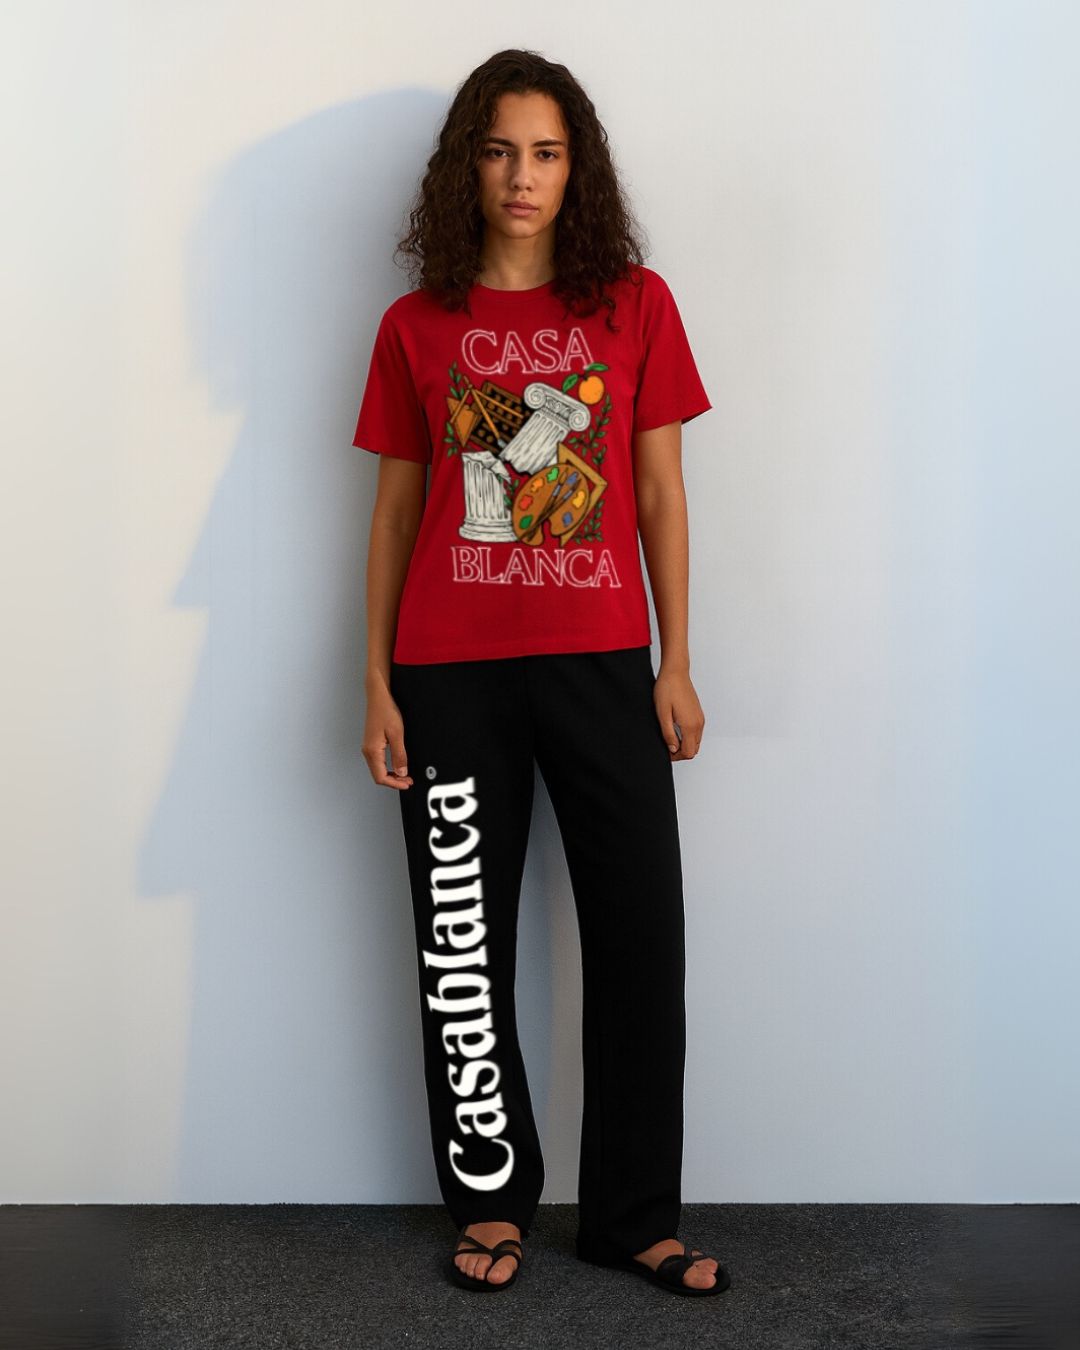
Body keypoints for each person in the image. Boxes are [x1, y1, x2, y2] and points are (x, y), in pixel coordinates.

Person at [354, 48, 731, 1299]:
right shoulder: (417, 325)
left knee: (640, 936)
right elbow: (395, 513)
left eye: (548, 152)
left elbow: (662, 494)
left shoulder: (634, 305)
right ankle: (490, 1203)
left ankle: (632, 1218)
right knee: (462, 950)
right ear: (468, 167)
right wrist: (375, 681)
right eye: (501, 150)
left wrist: (677, 662)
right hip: (448, 673)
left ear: (579, 171)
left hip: (602, 665)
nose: (523, 175)